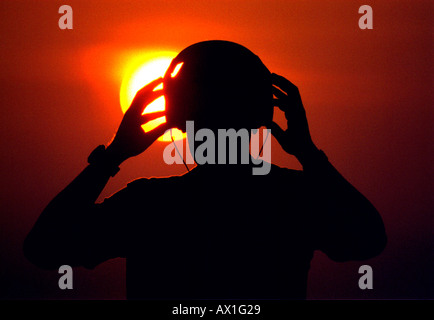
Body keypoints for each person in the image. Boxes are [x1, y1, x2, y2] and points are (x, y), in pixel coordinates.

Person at [23, 40, 386, 299]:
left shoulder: (149, 205)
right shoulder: (294, 199)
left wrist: (114, 155)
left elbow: (44, 247)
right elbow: (369, 238)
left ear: (177, 120)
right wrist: (309, 154)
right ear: (261, 115)